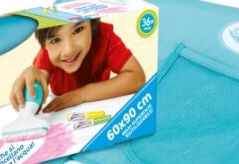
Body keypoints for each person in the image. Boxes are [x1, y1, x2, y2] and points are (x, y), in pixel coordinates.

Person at [10, 18, 145, 114]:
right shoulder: (47, 51)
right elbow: (39, 79)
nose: (69, 50)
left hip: (101, 109)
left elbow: (137, 78)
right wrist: (31, 75)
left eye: (78, 30)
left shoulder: (104, 35)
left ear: (92, 24)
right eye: (55, 40)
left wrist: (81, 95)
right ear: (45, 45)